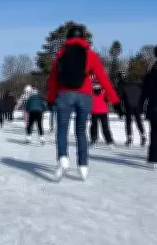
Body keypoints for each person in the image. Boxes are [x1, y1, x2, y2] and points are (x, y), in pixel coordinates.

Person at [47, 25, 120, 181]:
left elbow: (53, 79)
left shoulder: (60, 54)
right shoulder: (90, 54)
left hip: (64, 94)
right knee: (81, 130)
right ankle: (83, 165)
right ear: (83, 38)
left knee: (62, 129)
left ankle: (63, 158)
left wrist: (51, 98)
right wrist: (115, 100)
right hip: (85, 96)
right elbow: (102, 78)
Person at [117, 72, 146, 147]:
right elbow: (142, 93)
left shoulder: (122, 84)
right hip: (137, 105)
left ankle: (129, 138)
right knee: (138, 121)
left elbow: (119, 98)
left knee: (128, 122)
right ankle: (143, 136)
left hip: (128, 105)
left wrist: (119, 110)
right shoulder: (137, 84)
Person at [89, 81, 116, 147]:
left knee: (94, 126)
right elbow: (109, 100)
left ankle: (93, 140)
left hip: (94, 111)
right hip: (103, 111)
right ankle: (109, 141)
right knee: (105, 127)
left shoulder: (90, 91)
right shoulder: (104, 91)